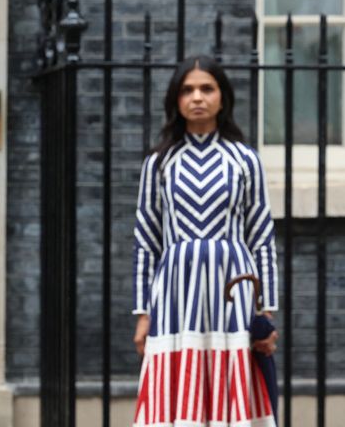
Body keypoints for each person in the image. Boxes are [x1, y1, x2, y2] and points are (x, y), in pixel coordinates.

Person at [131, 55, 279, 426]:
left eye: (207, 88)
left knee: (231, 376)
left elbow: (261, 235)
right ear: (176, 100)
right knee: (176, 383)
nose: (197, 97)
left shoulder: (245, 160)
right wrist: (143, 312)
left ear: (222, 97)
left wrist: (266, 311)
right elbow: (147, 238)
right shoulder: (159, 163)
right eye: (187, 90)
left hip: (233, 286)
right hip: (175, 289)